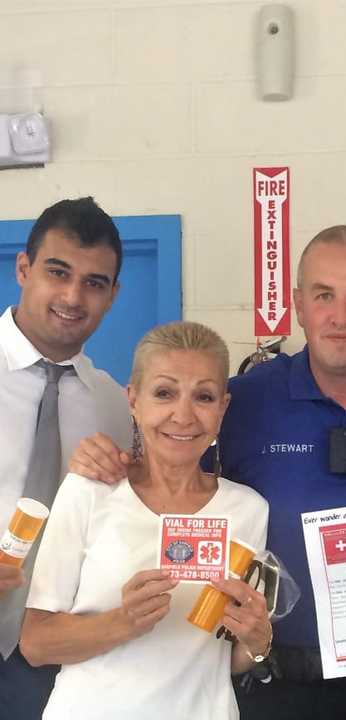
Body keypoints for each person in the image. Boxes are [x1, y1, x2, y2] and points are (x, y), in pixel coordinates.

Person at [68, 226, 346, 719]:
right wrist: (112, 460)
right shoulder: (246, 400)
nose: (340, 316)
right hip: (274, 681)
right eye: (323, 295)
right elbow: (172, 470)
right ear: (298, 303)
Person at [20, 321, 271, 720]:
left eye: (203, 396)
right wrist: (124, 621)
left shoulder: (249, 510)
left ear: (222, 408)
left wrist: (256, 643)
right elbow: (36, 644)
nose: (183, 415)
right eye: (164, 393)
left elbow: (220, 658)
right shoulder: (88, 492)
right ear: (133, 401)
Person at [0, 197, 132, 719]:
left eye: (95, 283)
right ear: (23, 269)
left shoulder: (114, 406)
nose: (73, 296)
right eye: (58, 272)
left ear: (113, 295)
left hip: (54, 662)